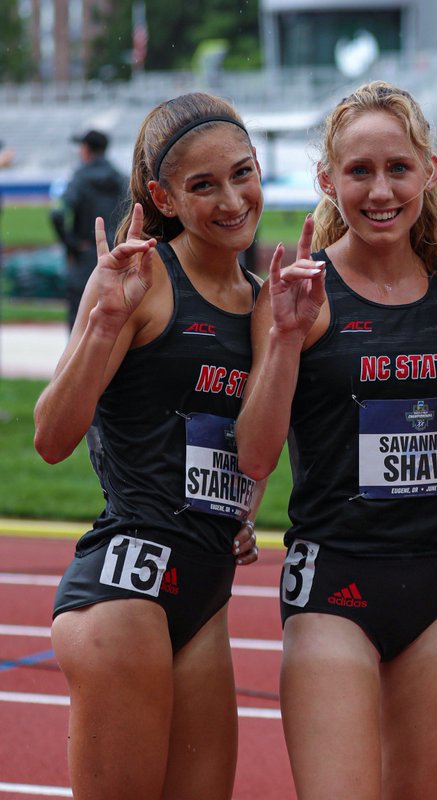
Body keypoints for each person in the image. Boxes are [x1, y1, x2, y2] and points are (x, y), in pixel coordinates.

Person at [235, 81, 437, 799]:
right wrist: (288, 341)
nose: (381, 190)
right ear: (328, 179)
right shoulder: (302, 293)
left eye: (398, 168)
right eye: (359, 171)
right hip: (333, 582)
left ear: (429, 169)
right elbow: (255, 458)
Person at [33, 93, 261, 799]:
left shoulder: (263, 301)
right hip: (126, 587)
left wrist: (241, 502)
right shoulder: (142, 279)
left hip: (205, 594)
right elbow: (50, 437)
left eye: (242, 173)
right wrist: (103, 321)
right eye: (202, 185)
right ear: (162, 195)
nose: (231, 200)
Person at [50, 129, 130, 329]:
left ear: (87, 149)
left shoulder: (80, 177)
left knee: (79, 321)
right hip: (117, 256)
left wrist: (73, 246)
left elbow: (57, 214)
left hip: (85, 257)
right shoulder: (121, 178)